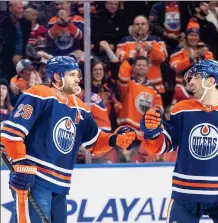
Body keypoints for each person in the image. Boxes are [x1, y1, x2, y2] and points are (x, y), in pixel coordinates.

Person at [0, 56, 137, 223]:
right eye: (72, 74)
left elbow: (94, 142)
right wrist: (21, 163)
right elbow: (12, 133)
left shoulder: (80, 106)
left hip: (61, 185)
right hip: (35, 179)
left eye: (78, 74)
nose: (78, 78)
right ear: (57, 76)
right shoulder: (39, 94)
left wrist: (113, 139)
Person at [140, 60, 218, 222]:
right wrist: (152, 134)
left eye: (195, 77)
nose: (191, 82)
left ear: (210, 81)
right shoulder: (182, 109)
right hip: (185, 194)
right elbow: (162, 146)